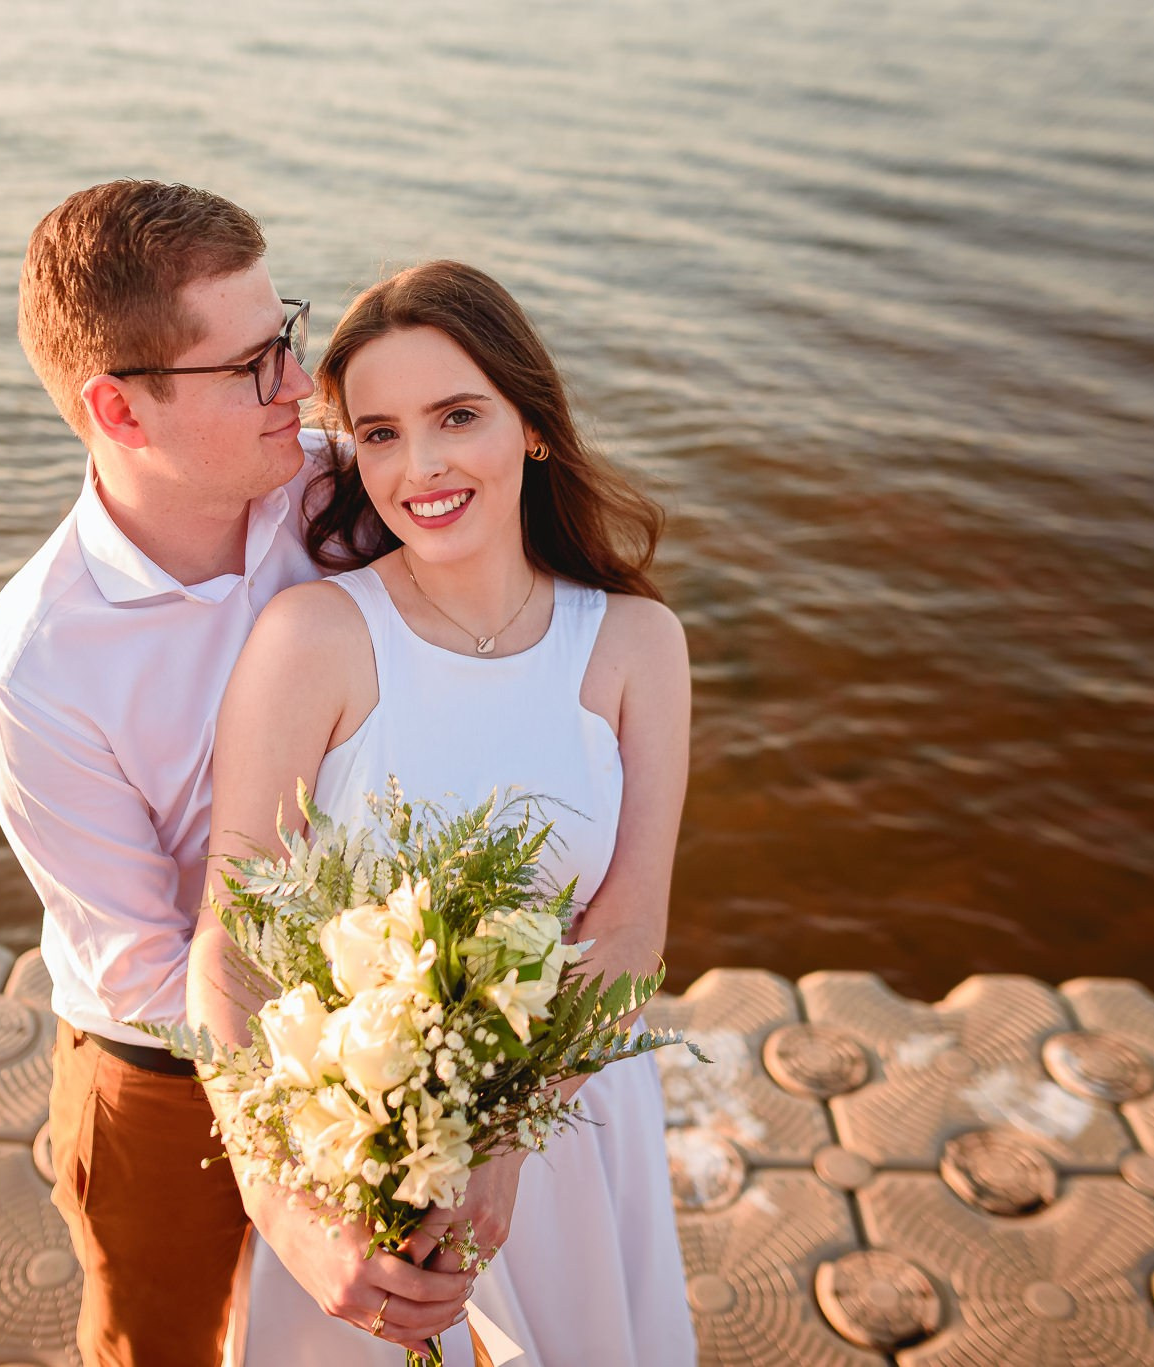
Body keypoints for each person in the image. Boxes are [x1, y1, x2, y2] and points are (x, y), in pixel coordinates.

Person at [0, 181, 472, 1367]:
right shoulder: (34, 669)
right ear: (118, 409)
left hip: (386, 1015)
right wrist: (292, 1167)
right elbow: (146, 954)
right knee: (160, 1347)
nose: (299, 387)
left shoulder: (340, 493)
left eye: (284, 335)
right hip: (158, 1077)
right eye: (250, 364)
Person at [189, 260, 699, 1365]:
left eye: (455, 416)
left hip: (565, 1126)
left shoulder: (633, 645)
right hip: (352, 1154)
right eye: (375, 432)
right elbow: (230, 948)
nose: (416, 466)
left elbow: (629, 929)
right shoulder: (312, 639)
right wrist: (292, 1210)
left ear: (531, 426)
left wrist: (503, 1138)